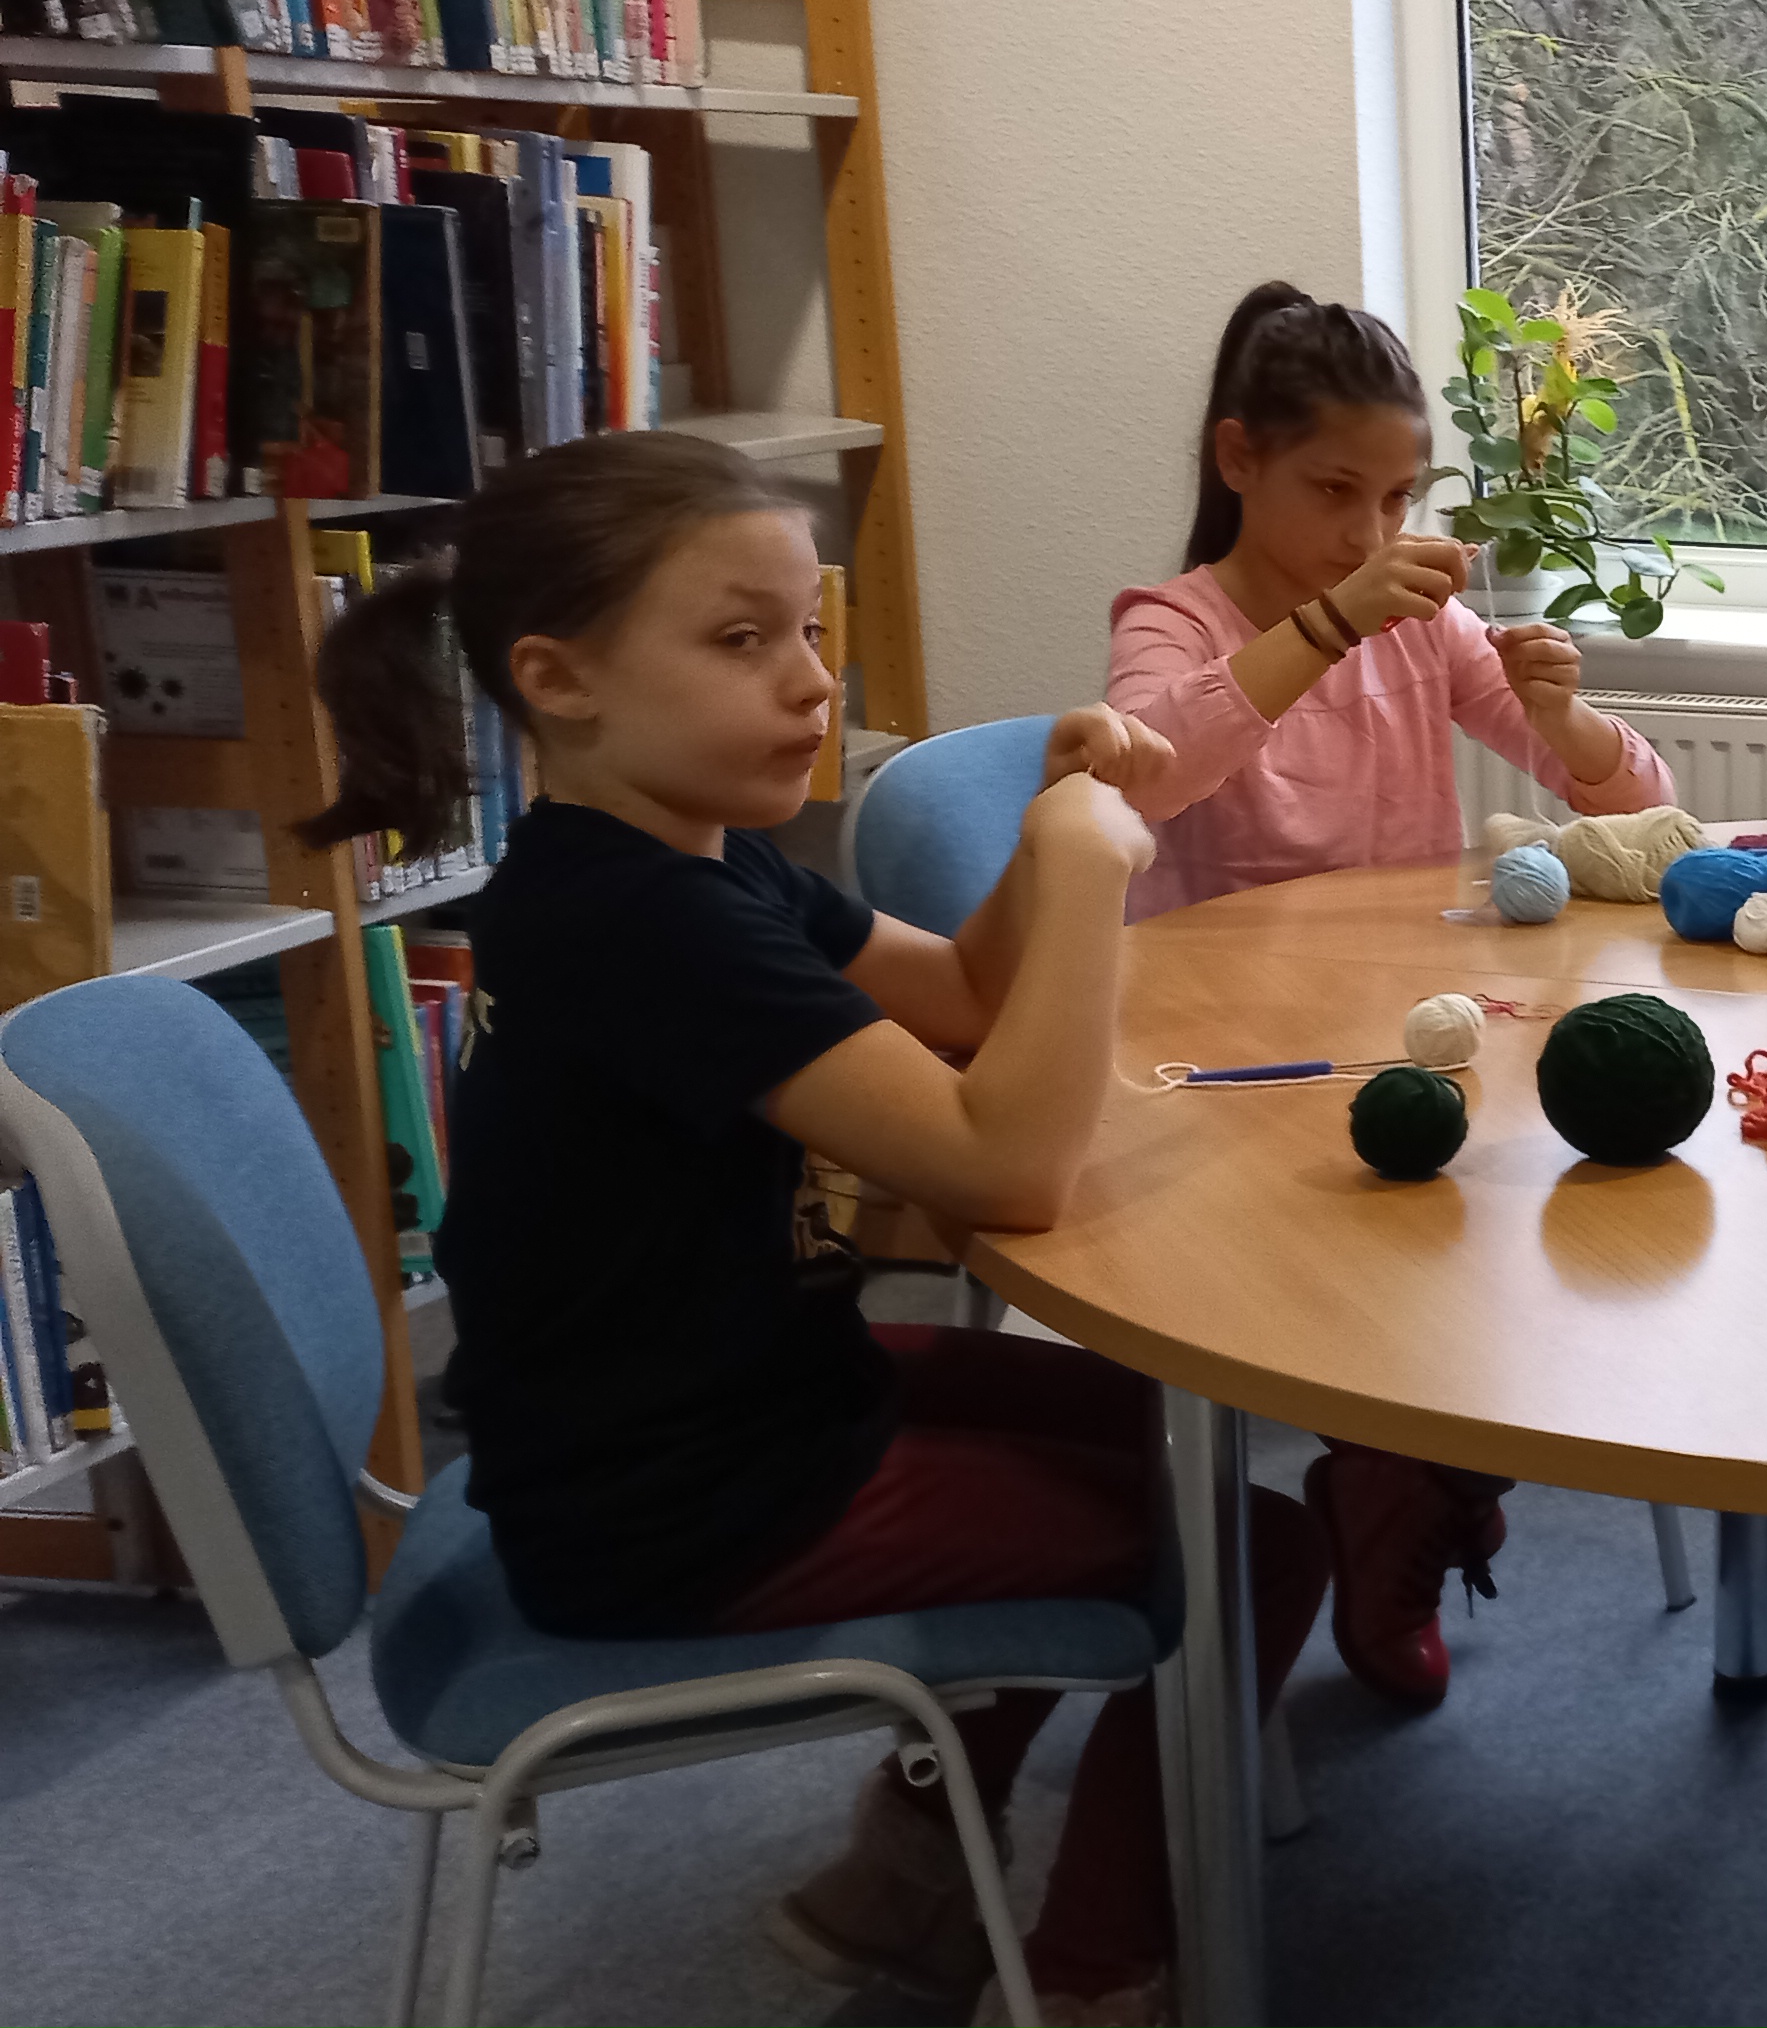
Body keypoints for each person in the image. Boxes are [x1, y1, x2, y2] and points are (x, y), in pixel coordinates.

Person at [301, 430, 1325, 2028]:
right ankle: (1090, 1972)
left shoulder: (692, 866)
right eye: (740, 640)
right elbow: (1008, 1169)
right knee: (1256, 1543)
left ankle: (902, 1875)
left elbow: (969, 997)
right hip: (684, 1507)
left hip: (718, 1410)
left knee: (1164, 1443)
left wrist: (1058, 822)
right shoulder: (638, 922)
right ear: (559, 679)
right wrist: (1081, 874)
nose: (810, 683)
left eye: (809, 633)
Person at [1105, 282, 1682, 1709]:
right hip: (1224, 1066)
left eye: (1398, 497)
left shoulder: (1420, 626)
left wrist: (1563, 716)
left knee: (1565, 1224)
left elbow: (1642, 809)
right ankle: (1409, 1484)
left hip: (1410, 1027)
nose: (1370, 533)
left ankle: (1402, 1487)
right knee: (1428, 1263)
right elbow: (1154, 769)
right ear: (1238, 459)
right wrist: (1328, 622)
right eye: (1334, 492)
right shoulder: (1172, 621)